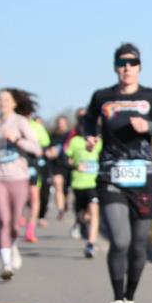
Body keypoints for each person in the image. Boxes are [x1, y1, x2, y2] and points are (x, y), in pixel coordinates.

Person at [84, 43, 152, 303]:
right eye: (122, 62)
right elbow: (89, 123)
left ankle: (130, 299)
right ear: (115, 66)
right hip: (111, 176)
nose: (127, 67)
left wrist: (148, 127)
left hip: (143, 177)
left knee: (138, 245)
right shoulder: (102, 97)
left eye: (132, 62)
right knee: (120, 240)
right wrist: (90, 137)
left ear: (139, 66)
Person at [0, 88, 43, 280]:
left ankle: (13, 244)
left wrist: (15, 139)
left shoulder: (21, 122)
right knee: (4, 221)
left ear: (14, 103)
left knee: (15, 224)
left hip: (18, 178)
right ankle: (6, 264)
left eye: (7, 99)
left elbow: (37, 149)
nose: (3, 102)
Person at [65, 110, 102, 259]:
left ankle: (90, 245)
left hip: (94, 183)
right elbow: (67, 159)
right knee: (81, 215)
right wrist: (75, 166)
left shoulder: (100, 141)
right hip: (78, 183)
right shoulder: (75, 141)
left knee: (94, 213)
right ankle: (79, 223)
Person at [23, 115, 51, 242]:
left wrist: (39, 149)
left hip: (33, 165)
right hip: (16, 166)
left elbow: (45, 145)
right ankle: (18, 217)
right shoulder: (11, 124)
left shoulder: (37, 127)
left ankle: (30, 230)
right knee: (21, 196)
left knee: (34, 196)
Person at [47, 115, 73, 219]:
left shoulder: (71, 134)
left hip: (68, 164)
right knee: (58, 186)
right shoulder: (53, 135)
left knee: (66, 188)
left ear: (66, 123)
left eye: (62, 122)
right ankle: (61, 209)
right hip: (56, 164)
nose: (60, 124)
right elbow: (48, 148)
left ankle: (65, 203)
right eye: (59, 122)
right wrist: (49, 152)